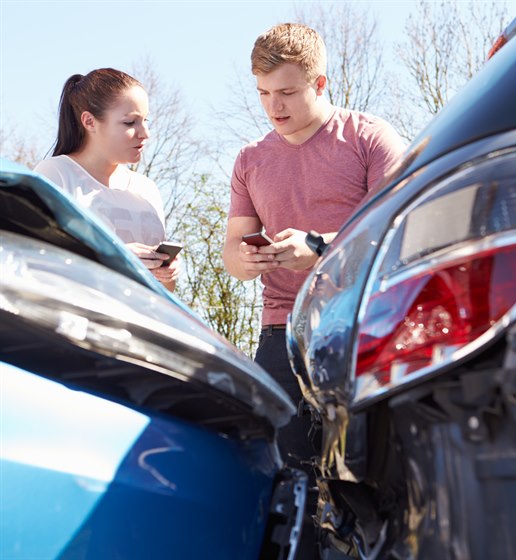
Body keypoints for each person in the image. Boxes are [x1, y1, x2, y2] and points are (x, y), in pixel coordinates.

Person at [222, 23, 406, 558]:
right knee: (287, 488)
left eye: (285, 92)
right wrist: (249, 257)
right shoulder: (249, 160)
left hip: (361, 329)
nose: (272, 106)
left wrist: (323, 250)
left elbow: (397, 237)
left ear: (319, 83)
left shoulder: (370, 138)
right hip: (280, 335)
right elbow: (233, 257)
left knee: (370, 484)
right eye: (262, 93)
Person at [35, 68, 179, 291]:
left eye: (145, 120)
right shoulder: (56, 174)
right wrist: (116, 259)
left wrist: (167, 274)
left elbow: (165, 291)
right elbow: (37, 264)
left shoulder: (147, 189)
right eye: (130, 123)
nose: (145, 133)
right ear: (89, 121)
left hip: (141, 322)